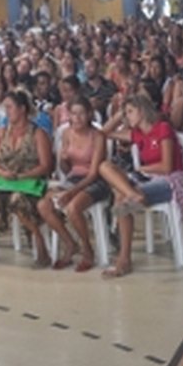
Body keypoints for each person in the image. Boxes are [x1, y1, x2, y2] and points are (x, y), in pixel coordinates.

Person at [98, 94, 183, 278]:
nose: (127, 117)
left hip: (167, 180)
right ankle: (134, 195)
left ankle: (124, 260)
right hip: (144, 179)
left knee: (121, 200)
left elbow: (167, 166)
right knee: (105, 167)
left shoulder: (163, 128)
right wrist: (118, 115)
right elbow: (102, 133)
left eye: (130, 112)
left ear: (142, 111)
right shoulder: (137, 133)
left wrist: (141, 169)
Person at [0, 90, 53, 267]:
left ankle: (39, 241)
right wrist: (3, 173)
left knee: (17, 200)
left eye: (10, 107)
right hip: (4, 181)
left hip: (28, 182)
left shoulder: (38, 134)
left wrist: (23, 175)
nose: (7, 111)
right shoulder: (0, 133)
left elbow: (46, 165)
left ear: (22, 109)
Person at [37, 97, 109, 272]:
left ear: (89, 114)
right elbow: (66, 169)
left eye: (81, 114)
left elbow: (93, 173)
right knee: (43, 205)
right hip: (73, 178)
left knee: (73, 207)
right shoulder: (67, 133)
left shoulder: (97, 136)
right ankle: (69, 243)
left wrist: (71, 192)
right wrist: (63, 161)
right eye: (73, 114)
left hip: (96, 180)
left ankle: (87, 249)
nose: (77, 118)